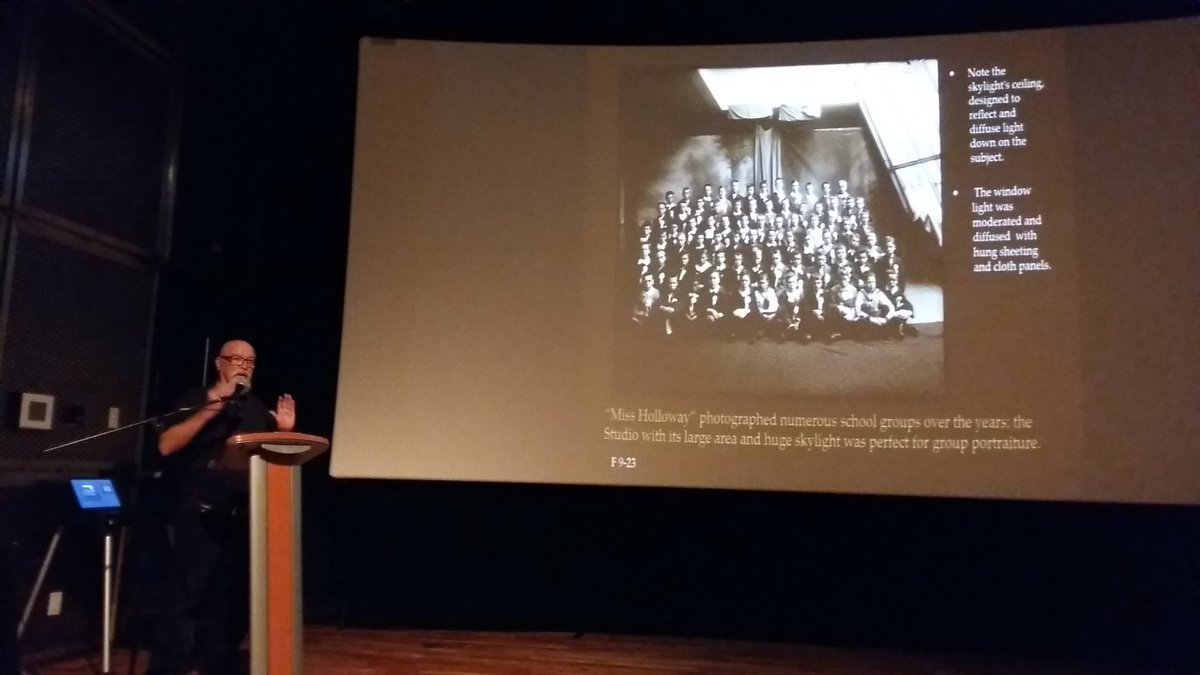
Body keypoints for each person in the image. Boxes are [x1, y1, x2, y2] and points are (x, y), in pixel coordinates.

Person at [147, 339, 295, 675]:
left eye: (250, 361)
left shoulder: (256, 408)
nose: (244, 366)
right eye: (236, 359)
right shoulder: (196, 398)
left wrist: (283, 433)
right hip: (197, 515)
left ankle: (219, 665)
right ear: (219, 363)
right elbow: (166, 445)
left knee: (230, 604)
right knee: (186, 601)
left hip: (240, 517)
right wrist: (214, 405)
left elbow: (269, 461)